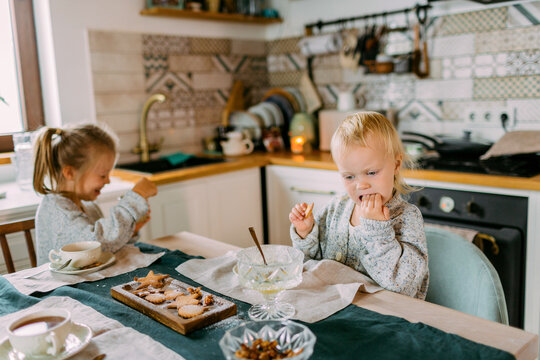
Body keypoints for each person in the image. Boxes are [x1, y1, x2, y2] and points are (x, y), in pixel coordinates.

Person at [289, 111, 429, 299]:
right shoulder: (335, 208)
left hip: (384, 317)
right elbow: (310, 266)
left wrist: (377, 230)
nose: (361, 185)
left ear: (396, 165)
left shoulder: (408, 218)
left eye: (371, 172)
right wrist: (306, 234)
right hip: (334, 308)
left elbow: (404, 287)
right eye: (349, 176)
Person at [33, 124, 158, 265]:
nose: (108, 180)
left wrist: (131, 231)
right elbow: (97, 243)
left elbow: (106, 248)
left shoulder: (88, 206)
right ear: (70, 173)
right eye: (103, 175)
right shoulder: (56, 211)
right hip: (61, 286)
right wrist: (136, 197)